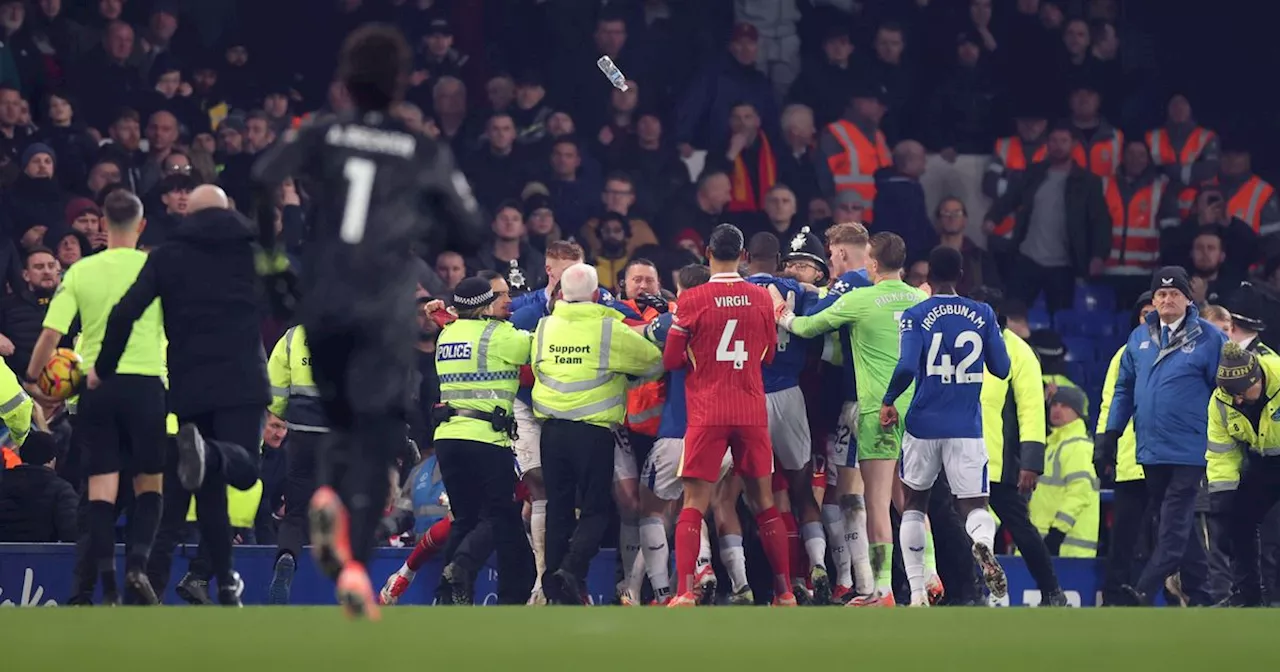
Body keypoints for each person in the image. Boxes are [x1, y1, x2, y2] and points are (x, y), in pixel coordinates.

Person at [251, 24, 486, 619]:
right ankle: (351, 558)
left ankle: (325, 502)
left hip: (324, 304)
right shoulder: (417, 146)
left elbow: (261, 177)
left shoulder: (322, 131)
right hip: (383, 308)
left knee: (338, 421)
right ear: (402, 81)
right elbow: (468, 228)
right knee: (376, 434)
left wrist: (275, 263)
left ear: (344, 83)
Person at [90, 185, 267, 607]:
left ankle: (225, 584)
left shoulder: (168, 255)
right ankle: (223, 580)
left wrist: (104, 367)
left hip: (191, 386)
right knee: (243, 470)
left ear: (190, 214)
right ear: (228, 210)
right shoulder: (253, 251)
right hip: (242, 378)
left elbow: (125, 311)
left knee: (207, 492)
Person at [27, 190, 168, 606]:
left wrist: (34, 378)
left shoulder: (81, 272)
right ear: (141, 226)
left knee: (101, 492)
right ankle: (138, 566)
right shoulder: (155, 267)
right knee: (150, 488)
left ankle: (105, 585)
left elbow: (51, 334)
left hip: (96, 388)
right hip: (145, 386)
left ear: (103, 226)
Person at [774, 232, 926, 606]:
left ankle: (882, 589)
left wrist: (781, 310)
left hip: (878, 410)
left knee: (872, 503)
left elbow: (806, 328)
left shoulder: (859, 298)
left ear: (872, 263)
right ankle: (925, 584)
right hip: (920, 410)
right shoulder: (920, 300)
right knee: (912, 499)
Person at [665, 223, 796, 607]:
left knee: (694, 502)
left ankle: (685, 592)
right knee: (764, 502)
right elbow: (769, 354)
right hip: (751, 410)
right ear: (743, 257)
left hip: (708, 411)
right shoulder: (760, 298)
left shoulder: (691, 300)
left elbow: (672, 359)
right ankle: (785, 592)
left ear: (707, 253)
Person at [880, 245, 1010, 606]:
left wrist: (889, 399)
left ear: (927, 278)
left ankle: (919, 592)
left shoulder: (916, 313)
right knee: (974, 506)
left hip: (923, 425)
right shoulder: (982, 313)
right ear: (961, 276)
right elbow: (1002, 368)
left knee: (914, 506)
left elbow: (906, 366)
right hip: (966, 426)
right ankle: (982, 544)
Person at [531, 263, 662, 605]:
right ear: (594, 293)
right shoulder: (609, 328)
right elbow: (653, 362)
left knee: (559, 508)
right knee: (595, 510)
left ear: (561, 292)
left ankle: (555, 587)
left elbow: (536, 368)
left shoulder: (544, 327)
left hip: (552, 431)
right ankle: (572, 571)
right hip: (592, 431)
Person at [1097, 266, 1227, 605]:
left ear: (1188, 298)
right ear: (1153, 300)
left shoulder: (1211, 338)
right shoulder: (1139, 339)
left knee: (1170, 528)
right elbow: (1123, 389)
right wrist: (1110, 435)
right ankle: (1203, 596)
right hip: (1151, 450)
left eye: (1175, 293)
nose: (1167, 299)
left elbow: (1226, 392)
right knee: (1176, 525)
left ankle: (1142, 590)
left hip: (1190, 450)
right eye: (1161, 294)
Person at [430, 276, 536, 604]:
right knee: (502, 517)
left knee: (465, 517)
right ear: (486, 306)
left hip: (448, 437)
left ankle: (449, 595)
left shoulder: (447, 334)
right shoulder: (500, 335)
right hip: (486, 439)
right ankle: (479, 578)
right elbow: (537, 347)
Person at [746, 230, 830, 602]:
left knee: (758, 497)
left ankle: (774, 584)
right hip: (792, 395)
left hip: (750, 397)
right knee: (802, 491)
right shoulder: (804, 292)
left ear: (747, 256)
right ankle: (817, 565)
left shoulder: (738, 290)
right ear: (780, 260)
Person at [971, 286, 1068, 606]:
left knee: (1020, 529)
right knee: (959, 530)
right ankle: (966, 592)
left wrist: (1030, 461)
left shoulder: (1019, 351)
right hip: (963, 455)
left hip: (997, 460)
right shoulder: (966, 343)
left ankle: (1052, 591)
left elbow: (1030, 410)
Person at [636, 264, 724, 605]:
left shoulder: (677, 320)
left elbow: (638, 331)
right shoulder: (731, 319)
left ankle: (662, 591)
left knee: (651, 510)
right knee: (701, 504)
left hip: (678, 431)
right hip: (722, 431)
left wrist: (665, 311)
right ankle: (703, 569)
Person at [1206, 342, 1280, 606]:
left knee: (1275, 531)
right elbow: (1222, 452)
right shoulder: (1221, 400)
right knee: (1237, 522)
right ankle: (1248, 597)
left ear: (1258, 378)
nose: (1236, 399)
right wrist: (1222, 495)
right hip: (1262, 462)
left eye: (1241, 391)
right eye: (1230, 392)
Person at [1097, 291, 1154, 605]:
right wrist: (1104, 446)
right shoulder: (1125, 354)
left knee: (1164, 537)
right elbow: (1109, 403)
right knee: (1125, 538)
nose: (1148, 319)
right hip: (1131, 461)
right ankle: (1116, 597)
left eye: (1153, 312)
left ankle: (1162, 595)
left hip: (1165, 460)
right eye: (1144, 313)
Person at [264, 323, 326, 605]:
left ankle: (287, 556)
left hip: (302, 434)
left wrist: (281, 413)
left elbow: (275, 391)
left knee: (296, 513)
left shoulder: (293, 337)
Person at [1031, 387, 1100, 558]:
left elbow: (1079, 493)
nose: (1057, 409)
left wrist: (1057, 532)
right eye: (1054, 404)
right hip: (1046, 544)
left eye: (1065, 405)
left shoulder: (1078, 446)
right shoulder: (1053, 445)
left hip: (1068, 548)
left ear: (1077, 412)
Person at [0, 431, 77, 542]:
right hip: (44, 558)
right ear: (53, 460)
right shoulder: (61, 491)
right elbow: (73, 535)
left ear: (21, 456)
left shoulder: (3, 483)